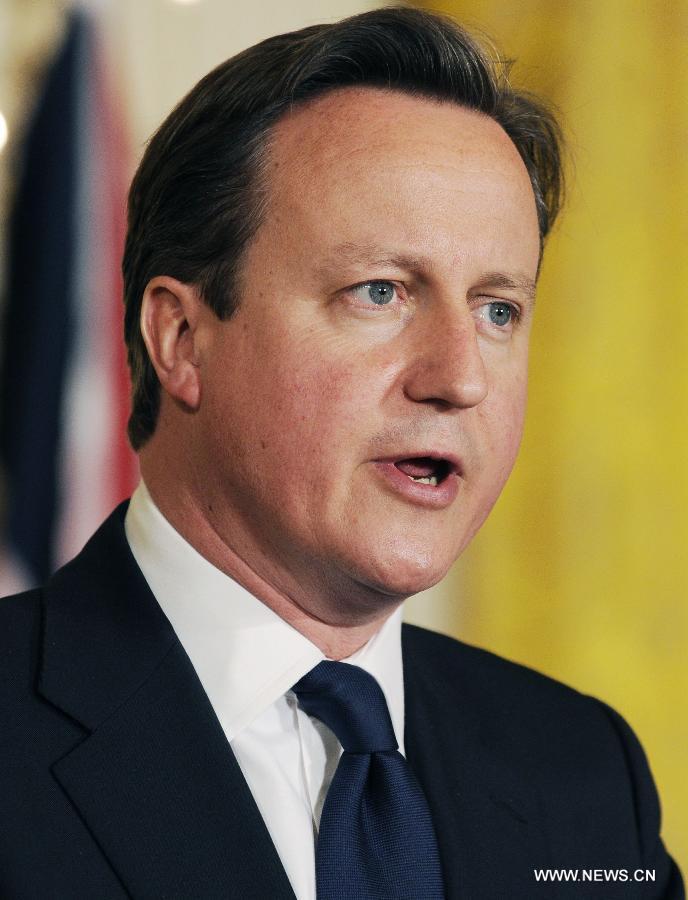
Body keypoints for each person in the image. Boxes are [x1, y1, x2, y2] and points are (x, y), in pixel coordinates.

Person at [0, 7, 683, 899]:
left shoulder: (582, 769)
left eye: (498, 309)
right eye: (381, 291)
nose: (460, 378)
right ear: (180, 338)